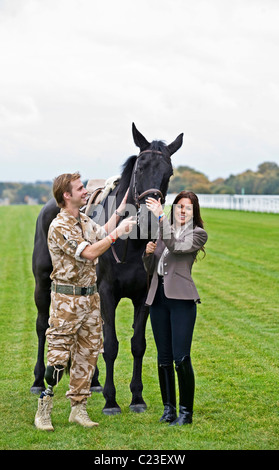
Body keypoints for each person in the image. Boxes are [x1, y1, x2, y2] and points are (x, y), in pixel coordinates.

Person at [34, 173, 135, 431]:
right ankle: (43, 408)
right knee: (57, 359)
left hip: (90, 300)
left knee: (87, 356)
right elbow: (89, 252)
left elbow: (101, 232)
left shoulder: (83, 220)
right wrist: (118, 235)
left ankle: (78, 409)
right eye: (80, 189)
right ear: (66, 195)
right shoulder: (59, 226)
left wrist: (121, 211)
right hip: (66, 302)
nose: (85, 191)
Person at [143, 191, 207, 426]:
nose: (182, 211)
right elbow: (152, 268)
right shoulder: (164, 231)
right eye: (179, 206)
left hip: (181, 301)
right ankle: (168, 410)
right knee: (164, 358)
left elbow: (177, 248)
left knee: (181, 358)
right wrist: (148, 254)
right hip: (158, 298)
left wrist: (161, 219)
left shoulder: (198, 234)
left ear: (194, 212)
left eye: (187, 208)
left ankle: (185, 414)